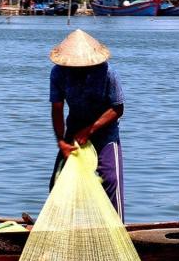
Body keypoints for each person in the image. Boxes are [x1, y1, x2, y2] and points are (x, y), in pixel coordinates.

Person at [48, 29, 125, 220]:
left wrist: (90, 130)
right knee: (58, 182)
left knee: (110, 180)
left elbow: (118, 108)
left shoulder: (107, 72)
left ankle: (117, 229)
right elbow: (57, 108)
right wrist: (61, 141)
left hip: (105, 133)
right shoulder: (58, 73)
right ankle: (60, 227)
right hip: (74, 131)